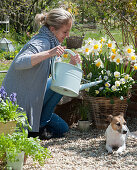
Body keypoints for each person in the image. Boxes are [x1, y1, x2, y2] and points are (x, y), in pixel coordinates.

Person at [2, 8, 81, 139]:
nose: (67, 36)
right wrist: (50, 53)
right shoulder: (42, 42)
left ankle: (40, 123)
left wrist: (72, 63)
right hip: (18, 103)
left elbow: (57, 76)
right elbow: (19, 62)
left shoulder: (52, 42)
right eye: (65, 32)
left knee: (63, 128)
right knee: (60, 129)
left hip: (34, 98)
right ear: (52, 29)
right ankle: (38, 126)